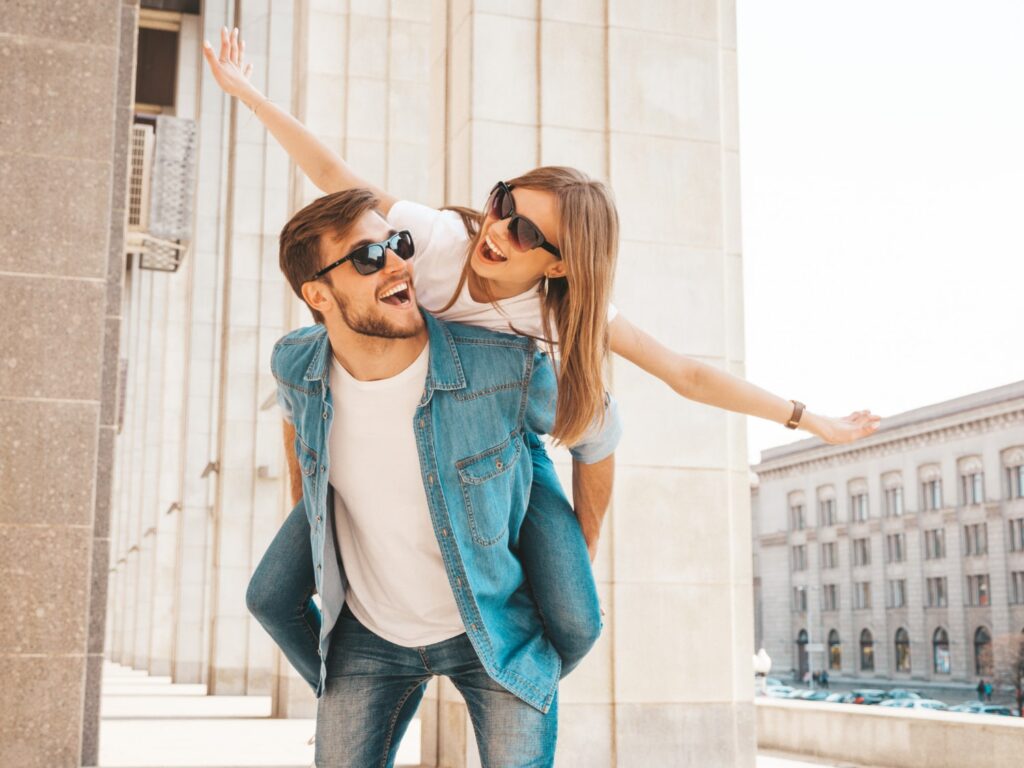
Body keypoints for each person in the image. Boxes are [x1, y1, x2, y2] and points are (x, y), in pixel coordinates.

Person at [205, 26, 881, 690]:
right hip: (393, 418)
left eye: (524, 231)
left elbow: (688, 374)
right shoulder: (440, 239)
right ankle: (345, 685)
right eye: (504, 203)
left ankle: (517, 674)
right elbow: (334, 176)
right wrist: (248, 94)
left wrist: (809, 419)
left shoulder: (559, 314)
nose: (496, 230)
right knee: (270, 595)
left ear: (558, 262)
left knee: (580, 617)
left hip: (499, 431)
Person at [262, 188, 621, 765]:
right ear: (317, 294)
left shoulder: (506, 367)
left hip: (494, 634)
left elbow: (599, 433)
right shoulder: (294, 362)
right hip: (369, 638)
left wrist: (584, 541)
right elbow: (292, 414)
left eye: (397, 244)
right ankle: (334, 690)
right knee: (267, 597)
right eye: (367, 257)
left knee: (580, 623)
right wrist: (309, 506)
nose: (400, 262)